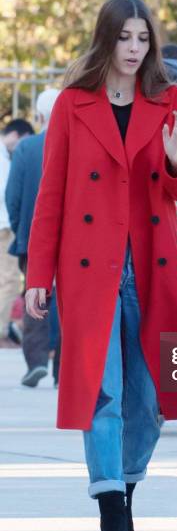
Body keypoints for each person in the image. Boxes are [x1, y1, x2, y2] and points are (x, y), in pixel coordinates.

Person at [25, 0, 177, 531]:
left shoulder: (169, 98)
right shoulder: (72, 104)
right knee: (101, 391)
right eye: (124, 38)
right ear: (105, 39)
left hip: (152, 265)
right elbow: (51, 195)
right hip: (90, 270)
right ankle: (111, 505)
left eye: (142, 39)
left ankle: (127, 485)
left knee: (151, 396)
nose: (134, 50)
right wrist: (38, 274)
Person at [6, 89, 61, 387]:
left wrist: (20, 229)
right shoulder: (75, 143)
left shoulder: (26, 148)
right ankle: (63, 369)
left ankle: (36, 362)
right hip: (70, 238)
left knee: (35, 298)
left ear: (39, 117)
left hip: (32, 235)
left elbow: (12, 197)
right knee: (68, 302)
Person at [0, 119, 34, 347]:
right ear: (16, 134)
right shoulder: (4, 159)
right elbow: (11, 196)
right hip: (4, 227)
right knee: (9, 281)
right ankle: (1, 331)